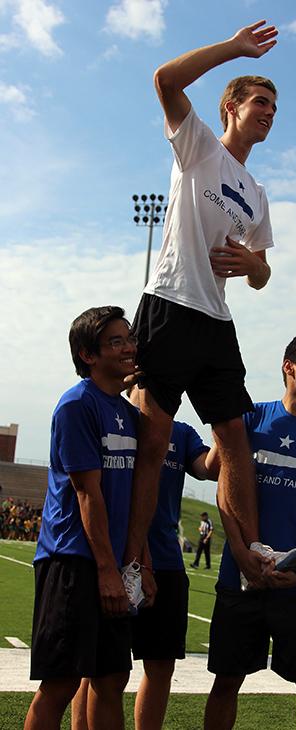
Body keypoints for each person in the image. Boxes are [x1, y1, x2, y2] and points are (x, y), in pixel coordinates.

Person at [124, 20, 281, 589]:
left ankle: (250, 554)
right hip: (169, 303)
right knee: (155, 441)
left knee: (235, 438)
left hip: (216, 320)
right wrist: (235, 49)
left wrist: (253, 266)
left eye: (274, 106)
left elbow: (262, 273)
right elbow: (165, 79)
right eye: (260, 101)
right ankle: (133, 563)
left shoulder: (257, 195)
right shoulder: (199, 147)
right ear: (231, 107)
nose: (268, 111)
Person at [204, 333, 296, 730]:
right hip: (239, 576)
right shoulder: (249, 417)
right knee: (226, 682)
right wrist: (240, 551)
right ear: (289, 366)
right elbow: (223, 486)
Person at [24, 306, 140, 730]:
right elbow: (87, 493)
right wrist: (108, 572)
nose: (129, 347)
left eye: (129, 338)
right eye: (116, 341)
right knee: (61, 682)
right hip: (73, 559)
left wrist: (135, 566)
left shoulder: (127, 413)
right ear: (88, 354)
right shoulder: (76, 405)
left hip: (111, 561)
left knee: (112, 679)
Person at [71, 404, 219, 730]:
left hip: (167, 561)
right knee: (97, 667)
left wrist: (225, 420)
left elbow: (211, 468)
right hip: (115, 558)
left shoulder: (180, 432)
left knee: (161, 665)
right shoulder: (114, 421)